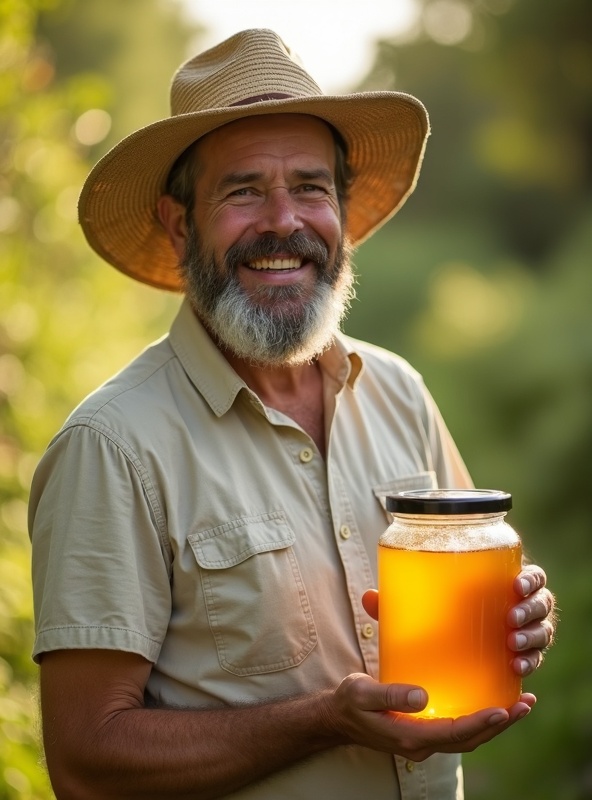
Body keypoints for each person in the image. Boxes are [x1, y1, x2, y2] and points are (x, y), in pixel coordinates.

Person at [28, 28, 556, 800]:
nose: (285, 222)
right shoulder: (112, 446)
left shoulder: (400, 390)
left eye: (311, 187)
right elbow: (85, 759)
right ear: (180, 225)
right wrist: (324, 719)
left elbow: (475, 593)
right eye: (244, 190)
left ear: (340, 209)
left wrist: (518, 619)